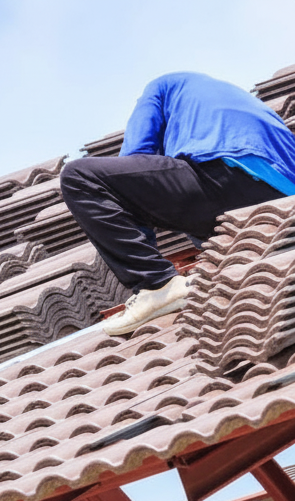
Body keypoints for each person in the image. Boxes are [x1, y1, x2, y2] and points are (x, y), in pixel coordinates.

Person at [61, 71, 295, 336]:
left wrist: (140, 227)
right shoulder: (235, 104)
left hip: (227, 173)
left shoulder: (162, 86)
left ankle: (156, 286)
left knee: (79, 176)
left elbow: (136, 157)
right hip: (282, 203)